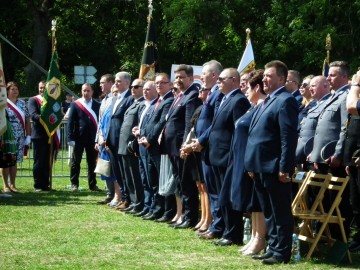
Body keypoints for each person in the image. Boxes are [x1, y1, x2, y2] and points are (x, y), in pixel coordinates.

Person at [245, 60, 298, 264]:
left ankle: (281, 252)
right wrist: (251, 164)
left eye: (269, 75)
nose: (264, 79)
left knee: (280, 210)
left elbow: (288, 137)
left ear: (282, 79)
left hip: (274, 166)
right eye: (264, 75)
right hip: (259, 166)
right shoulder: (267, 100)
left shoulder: (286, 100)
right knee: (268, 211)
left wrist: (285, 167)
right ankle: (273, 246)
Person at [221, 70, 267, 255]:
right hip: (240, 158)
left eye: (247, 86)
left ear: (257, 87)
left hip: (250, 160)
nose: (245, 90)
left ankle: (260, 239)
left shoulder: (261, 106)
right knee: (251, 202)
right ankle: (255, 236)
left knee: (256, 201)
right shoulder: (252, 106)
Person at [309, 61, 352, 239]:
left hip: (333, 159)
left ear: (344, 76)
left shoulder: (346, 96)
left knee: (337, 202)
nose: (328, 78)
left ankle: (338, 238)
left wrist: (338, 153)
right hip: (321, 158)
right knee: (325, 200)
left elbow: (345, 127)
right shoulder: (334, 96)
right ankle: (325, 236)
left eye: (332, 75)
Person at [161, 64, 202, 229]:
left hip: (181, 147)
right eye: (176, 77)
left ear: (191, 78)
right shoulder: (180, 95)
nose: (178, 80)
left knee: (186, 184)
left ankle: (190, 217)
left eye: (182, 77)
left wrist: (185, 144)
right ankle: (183, 215)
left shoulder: (192, 95)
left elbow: (188, 123)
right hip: (172, 146)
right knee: (179, 182)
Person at [137, 74, 176, 222]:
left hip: (158, 147)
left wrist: (150, 139)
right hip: (149, 146)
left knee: (162, 180)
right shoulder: (158, 101)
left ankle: (167, 211)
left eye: (162, 83)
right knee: (152, 180)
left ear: (170, 85)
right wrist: (142, 135)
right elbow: (150, 123)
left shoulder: (169, 101)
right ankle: (156, 208)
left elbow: (161, 123)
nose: (159, 85)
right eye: (157, 83)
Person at [191, 60, 224, 238]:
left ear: (213, 75)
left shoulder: (219, 94)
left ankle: (217, 227)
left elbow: (215, 122)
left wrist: (202, 140)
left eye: (203, 74)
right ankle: (213, 224)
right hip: (204, 147)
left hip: (212, 147)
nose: (201, 77)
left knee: (215, 190)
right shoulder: (212, 93)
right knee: (210, 188)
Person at [180, 86, 211, 232]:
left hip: (201, 149)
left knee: (205, 186)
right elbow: (192, 129)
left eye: (204, 89)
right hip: (193, 150)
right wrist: (186, 144)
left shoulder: (209, 108)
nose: (200, 91)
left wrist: (193, 145)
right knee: (200, 186)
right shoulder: (200, 108)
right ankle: (204, 218)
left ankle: (207, 220)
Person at [106, 72, 134, 210]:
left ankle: (128, 198)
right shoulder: (115, 98)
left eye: (119, 81)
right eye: (115, 81)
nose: (116, 83)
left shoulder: (130, 98)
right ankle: (123, 196)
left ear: (127, 83)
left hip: (121, 142)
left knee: (124, 172)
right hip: (111, 141)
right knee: (117, 171)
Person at [117, 79, 145, 214]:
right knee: (128, 176)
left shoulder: (143, 104)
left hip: (131, 145)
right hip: (124, 145)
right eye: (132, 87)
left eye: (136, 86)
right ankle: (133, 201)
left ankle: (138, 202)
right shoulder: (133, 103)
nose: (133, 89)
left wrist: (133, 144)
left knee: (135, 176)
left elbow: (139, 125)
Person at [67, 83, 101, 191]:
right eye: (84, 90)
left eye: (88, 91)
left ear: (92, 92)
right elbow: (70, 122)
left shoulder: (97, 104)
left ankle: (92, 184)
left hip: (92, 138)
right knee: (76, 162)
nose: (86, 93)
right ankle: (74, 183)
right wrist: (70, 138)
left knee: (92, 163)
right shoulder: (76, 104)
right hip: (78, 138)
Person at [1, 82, 31, 193]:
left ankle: (13, 184)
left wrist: (28, 135)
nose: (15, 91)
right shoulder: (3, 103)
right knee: (5, 160)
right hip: (7, 136)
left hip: (19, 137)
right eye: (12, 89)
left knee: (14, 161)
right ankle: (5, 185)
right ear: (7, 91)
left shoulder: (23, 104)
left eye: (16, 89)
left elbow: (27, 120)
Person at [295, 76, 331, 169]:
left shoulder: (328, 104)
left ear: (325, 86)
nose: (310, 88)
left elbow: (324, 132)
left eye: (313, 86)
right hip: (305, 156)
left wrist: (316, 152)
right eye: (310, 86)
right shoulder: (316, 105)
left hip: (316, 157)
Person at [344, 70, 360, 252]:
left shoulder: (354, 95)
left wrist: (356, 84)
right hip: (354, 157)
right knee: (356, 202)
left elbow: (351, 106)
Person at [28, 81, 53, 191]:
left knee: (47, 160)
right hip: (38, 135)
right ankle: (38, 184)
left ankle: (45, 184)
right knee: (39, 161)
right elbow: (33, 115)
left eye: (44, 88)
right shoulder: (33, 100)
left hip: (49, 135)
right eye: (41, 88)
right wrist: (46, 118)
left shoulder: (51, 101)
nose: (42, 90)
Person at [96, 74, 116, 205]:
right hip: (102, 139)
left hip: (110, 139)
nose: (100, 85)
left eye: (103, 82)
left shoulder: (114, 99)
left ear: (110, 83)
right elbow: (100, 122)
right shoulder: (104, 100)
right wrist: (97, 139)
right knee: (105, 166)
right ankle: (109, 193)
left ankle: (115, 194)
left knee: (113, 167)